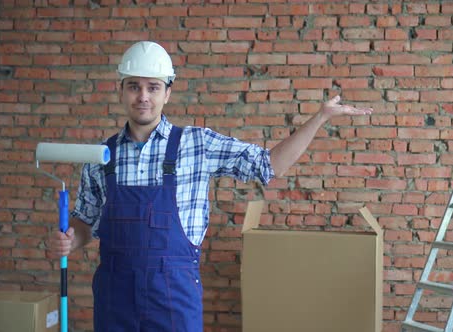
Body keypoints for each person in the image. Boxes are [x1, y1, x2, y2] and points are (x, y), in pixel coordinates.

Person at [46, 40, 372, 332]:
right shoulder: (100, 156)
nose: (143, 96)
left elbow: (270, 166)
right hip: (115, 296)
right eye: (133, 86)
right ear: (120, 90)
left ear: (167, 92)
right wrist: (71, 240)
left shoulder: (197, 144)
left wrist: (320, 117)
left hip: (173, 292)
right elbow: (86, 222)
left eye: (153, 87)